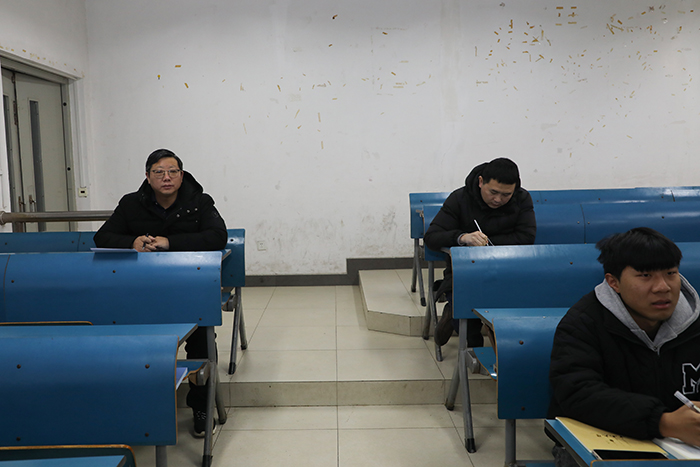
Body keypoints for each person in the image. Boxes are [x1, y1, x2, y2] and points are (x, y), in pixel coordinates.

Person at [94, 148, 227, 438]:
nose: (166, 177)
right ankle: (133, 403)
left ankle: (200, 406)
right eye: (159, 172)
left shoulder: (200, 202)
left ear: (181, 174)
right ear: (147, 176)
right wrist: (132, 242)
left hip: (189, 290)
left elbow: (217, 237)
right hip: (140, 292)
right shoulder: (131, 203)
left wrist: (170, 243)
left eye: (172, 172)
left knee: (201, 344)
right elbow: (102, 237)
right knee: (126, 344)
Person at [548, 227, 700, 466]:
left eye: (671, 273)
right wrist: (663, 422)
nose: (663, 287)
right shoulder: (583, 322)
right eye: (645, 276)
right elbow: (578, 393)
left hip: (685, 446)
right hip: (601, 442)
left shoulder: (695, 323)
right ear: (614, 282)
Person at [423, 157, 536, 346]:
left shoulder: (522, 199)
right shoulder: (460, 198)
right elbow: (432, 237)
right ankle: (460, 326)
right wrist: (462, 238)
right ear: (481, 181)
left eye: (506, 195)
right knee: (468, 322)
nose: (498, 199)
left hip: (508, 270)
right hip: (466, 272)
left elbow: (526, 237)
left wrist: (486, 243)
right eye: (493, 192)